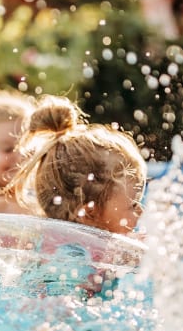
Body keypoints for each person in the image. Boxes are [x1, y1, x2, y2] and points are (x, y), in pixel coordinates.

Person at [8, 95, 147, 236]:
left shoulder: (47, 242)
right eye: (133, 204)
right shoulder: (85, 255)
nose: (141, 210)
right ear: (89, 214)